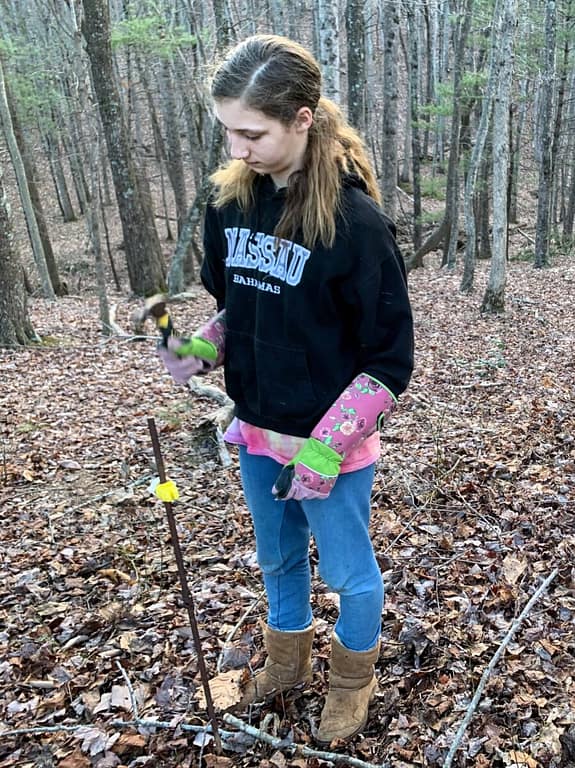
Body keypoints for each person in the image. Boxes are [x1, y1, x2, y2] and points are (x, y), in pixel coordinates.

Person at [157, 34, 413, 742]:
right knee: (276, 559)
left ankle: (352, 684)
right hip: (258, 430)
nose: (237, 148)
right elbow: (244, 303)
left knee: (348, 573)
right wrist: (200, 349)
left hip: (331, 443)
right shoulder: (230, 203)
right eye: (228, 131)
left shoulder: (356, 226)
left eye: (252, 132)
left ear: (302, 118)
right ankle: (287, 664)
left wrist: (328, 447)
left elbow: (390, 359)